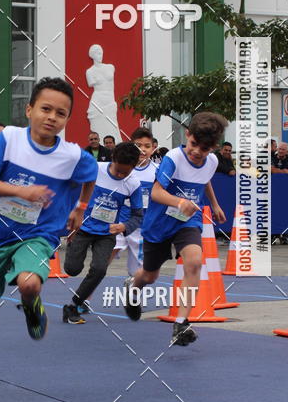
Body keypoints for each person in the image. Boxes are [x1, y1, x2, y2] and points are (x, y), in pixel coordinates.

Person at [0, 77, 98, 390]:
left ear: (66, 120)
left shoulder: (73, 156)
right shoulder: (8, 139)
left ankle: (32, 304)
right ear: (29, 109)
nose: (52, 117)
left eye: (60, 113)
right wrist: (24, 191)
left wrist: (80, 207)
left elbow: (91, 176)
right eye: (45, 109)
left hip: (39, 234)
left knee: (29, 281)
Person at [125, 111, 227, 347]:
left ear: (213, 148)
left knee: (194, 262)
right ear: (187, 135)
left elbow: (205, 178)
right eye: (193, 145)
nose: (197, 152)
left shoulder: (211, 161)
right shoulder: (173, 158)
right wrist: (180, 202)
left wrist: (214, 203)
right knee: (150, 275)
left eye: (204, 149)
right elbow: (156, 192)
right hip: (159, 223)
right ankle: (132, 286)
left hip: (187, 222)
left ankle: (181, 323)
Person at [62, 142, 142, 323]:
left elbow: (138, 215)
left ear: (134, 168)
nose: (121, 175)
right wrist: (74, 213)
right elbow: (71, 187)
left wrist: (124, 226)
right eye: (118, 170)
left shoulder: (133, 184)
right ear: (112, 159)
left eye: (126, 172)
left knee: (99, 269)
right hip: (83, 227)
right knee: (72, 270)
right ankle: (72, 246)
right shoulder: (95, 169)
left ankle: (74, 305)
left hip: (107, 233)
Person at [111, 128, 157, 278]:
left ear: (153, 148)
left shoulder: (157, 170)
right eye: (138, 145)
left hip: (142, 227)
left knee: (137, 271)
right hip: (120, 222)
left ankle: (133, 297)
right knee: (102, 262)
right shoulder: (122, 167)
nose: (143, 150)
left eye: (147, 146)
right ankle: (84, 299)